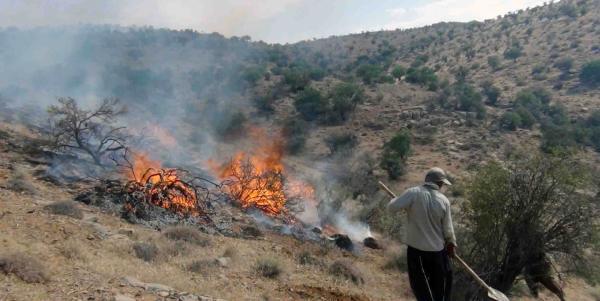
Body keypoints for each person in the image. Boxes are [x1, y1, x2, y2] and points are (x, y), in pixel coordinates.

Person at [387, 167, 456, 301]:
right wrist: (451, 243)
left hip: (416, 253)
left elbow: (391, 208)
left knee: (421, 288)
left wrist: (397, 201)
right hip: (438, 252)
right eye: (442, 184)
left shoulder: (413, 193)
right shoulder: (444, 200)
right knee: (440, 289)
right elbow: (448, 229)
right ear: (439, 183)